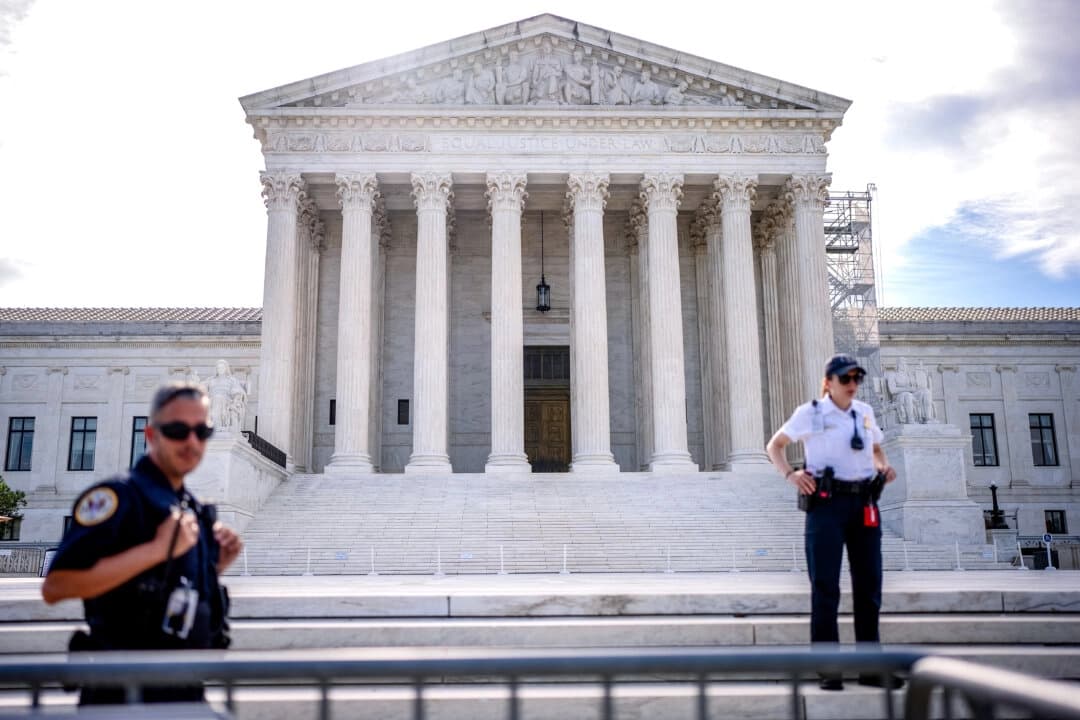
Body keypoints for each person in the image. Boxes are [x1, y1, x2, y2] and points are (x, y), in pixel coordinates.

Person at [41, 381, 242, 706]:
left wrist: (213, 566)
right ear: (151, 435)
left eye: (201, 432)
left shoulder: (193, 510)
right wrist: (156, 550)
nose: (191, 441)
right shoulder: (119, 498)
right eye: (178, 430)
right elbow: (57, 585)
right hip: (123, 693)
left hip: (183, 688)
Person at [765, 354, 903, 691]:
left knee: (869, 588)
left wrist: (883, 466)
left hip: (865, 503)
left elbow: (876, 449)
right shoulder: (810, 413)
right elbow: (775, 445)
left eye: (857, 378)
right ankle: (827, 668)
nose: (852, 384)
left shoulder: (865, 413)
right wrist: (790, 474)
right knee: (825, 587)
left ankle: (870, 668)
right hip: (826, 505)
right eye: (845, 379)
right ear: (829, 382)